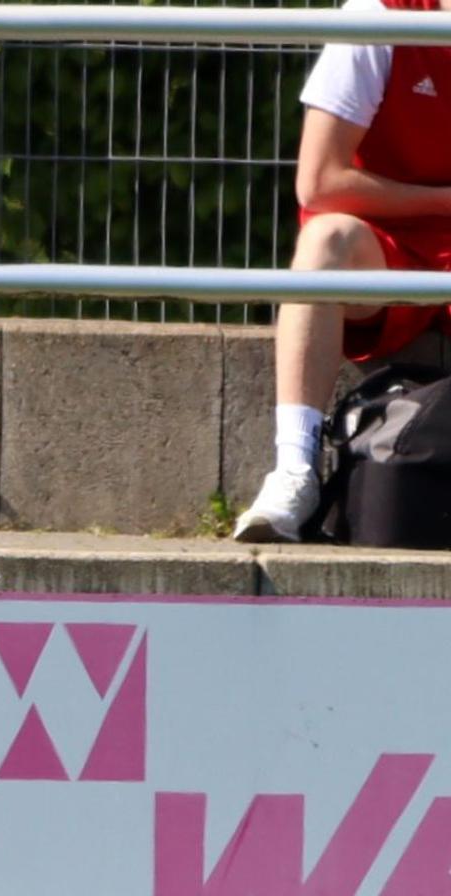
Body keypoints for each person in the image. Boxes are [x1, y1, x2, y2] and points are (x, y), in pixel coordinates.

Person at [231, 0, 451, 542]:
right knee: (325, 241)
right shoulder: (379, 16)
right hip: (394, 246)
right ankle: (294, 471)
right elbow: (320, 182)